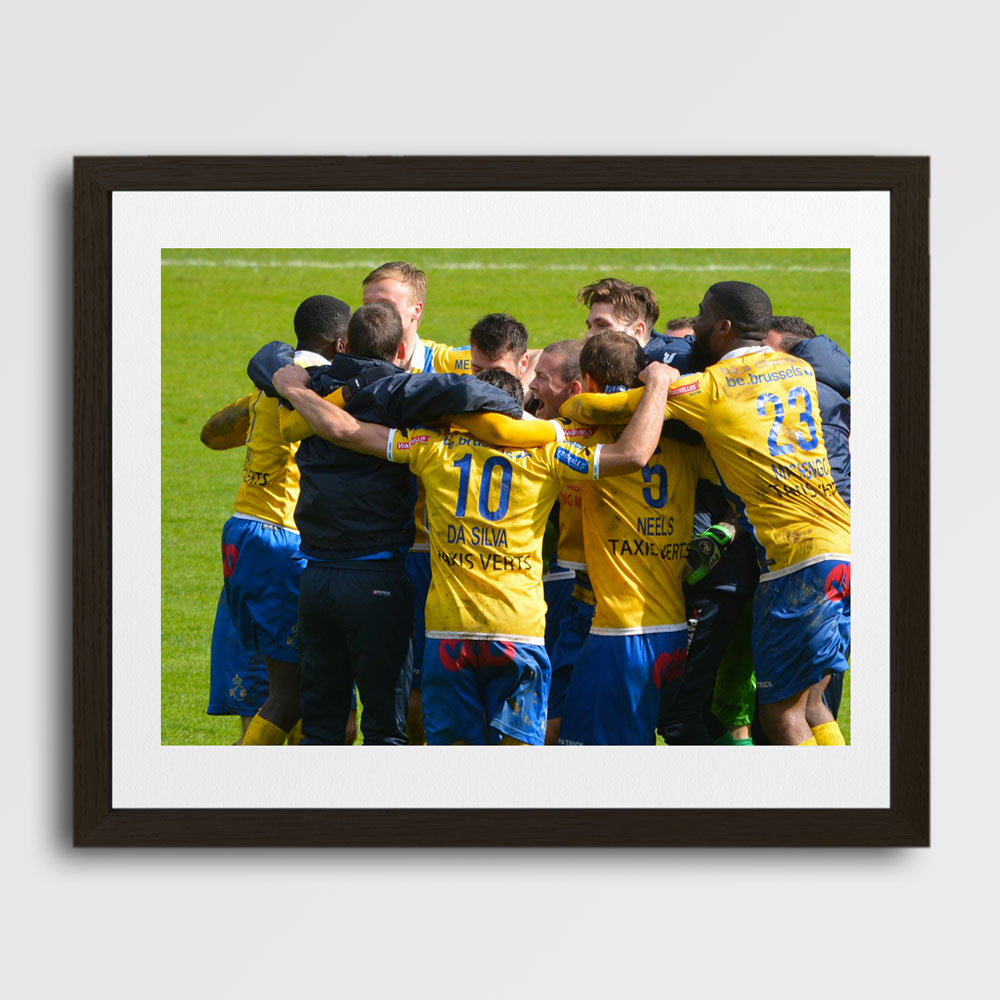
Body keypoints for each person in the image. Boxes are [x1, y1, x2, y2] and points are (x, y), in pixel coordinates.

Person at [272, 356, 677, 746]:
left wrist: (293, 390)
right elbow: (633, 454)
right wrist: (658, 384)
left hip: (449, 633)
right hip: (517, 631)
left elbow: (342, 430)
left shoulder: (432, 447)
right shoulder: (547, 453)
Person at [562, 281, 851, 747]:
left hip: (796, 556)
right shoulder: (797, 369)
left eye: (701, 315)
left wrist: (580, 401)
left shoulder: (711, 387)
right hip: (843, 543)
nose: (694, 324)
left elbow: (612, 406)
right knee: (813, 703)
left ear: (724, 326)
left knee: (781, 712)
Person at [199, 294, 349, 745]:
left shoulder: (272, 381)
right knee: (293, 693)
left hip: (242, 529)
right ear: (341, 342)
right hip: (283, 539)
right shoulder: (321, 387)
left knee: (274, 687)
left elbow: (210, 434)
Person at [555, 332, 717, 745]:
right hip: (673, 631)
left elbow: (572, 414)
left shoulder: (588, 435)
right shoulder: (687, 446)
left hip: (620, 634)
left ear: (589, 380)